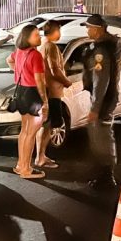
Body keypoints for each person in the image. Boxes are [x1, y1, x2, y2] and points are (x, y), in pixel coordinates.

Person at [82, 14, 121, 190]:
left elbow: (101, 81)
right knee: (100, 137)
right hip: (107, 99)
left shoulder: (101, 52)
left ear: (98, 30)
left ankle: (107, 176)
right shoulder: (108, 46)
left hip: (104, 101)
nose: (87, 30)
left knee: (102, 137)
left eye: (89, 27)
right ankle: (102, 173)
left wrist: (95, 107)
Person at [7, 24, 49, 180]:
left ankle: (20, 165)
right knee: (31, 133)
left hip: (21, 92)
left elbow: (8, 60)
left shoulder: (19, 52)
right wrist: (45, 101)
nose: (39, 37)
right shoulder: (36, 55)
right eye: (36, 35)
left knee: (24, 131)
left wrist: (19, 73)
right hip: (33, 94)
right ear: (27, 38)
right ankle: (26, 169)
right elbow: (40, 80)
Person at [35, 20, 72, 170]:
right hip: (52, 91)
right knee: (49, 124)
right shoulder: (51, 46)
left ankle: (40, 156)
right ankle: (40, 157)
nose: (60, 34)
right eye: (59, 31)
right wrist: (67, 82)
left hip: (44, 89)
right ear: (55, 31)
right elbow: (54, 69)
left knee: (45, 124)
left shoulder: (41, 46)